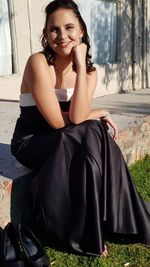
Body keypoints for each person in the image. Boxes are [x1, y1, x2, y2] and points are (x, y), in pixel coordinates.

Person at [11, 0, 150, 257]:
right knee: (88, 129)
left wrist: (80, 63)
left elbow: (75, 117)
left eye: (69, 28)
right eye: (54, 30)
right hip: (32, 141)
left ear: (82, 31)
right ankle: (81, 230)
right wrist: (99, 113)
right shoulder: (37, 63)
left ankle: (106, 220)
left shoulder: (90, 72)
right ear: (45, 34)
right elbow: (59, 122)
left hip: (66, 138)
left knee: (91, 131)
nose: (62, 36)